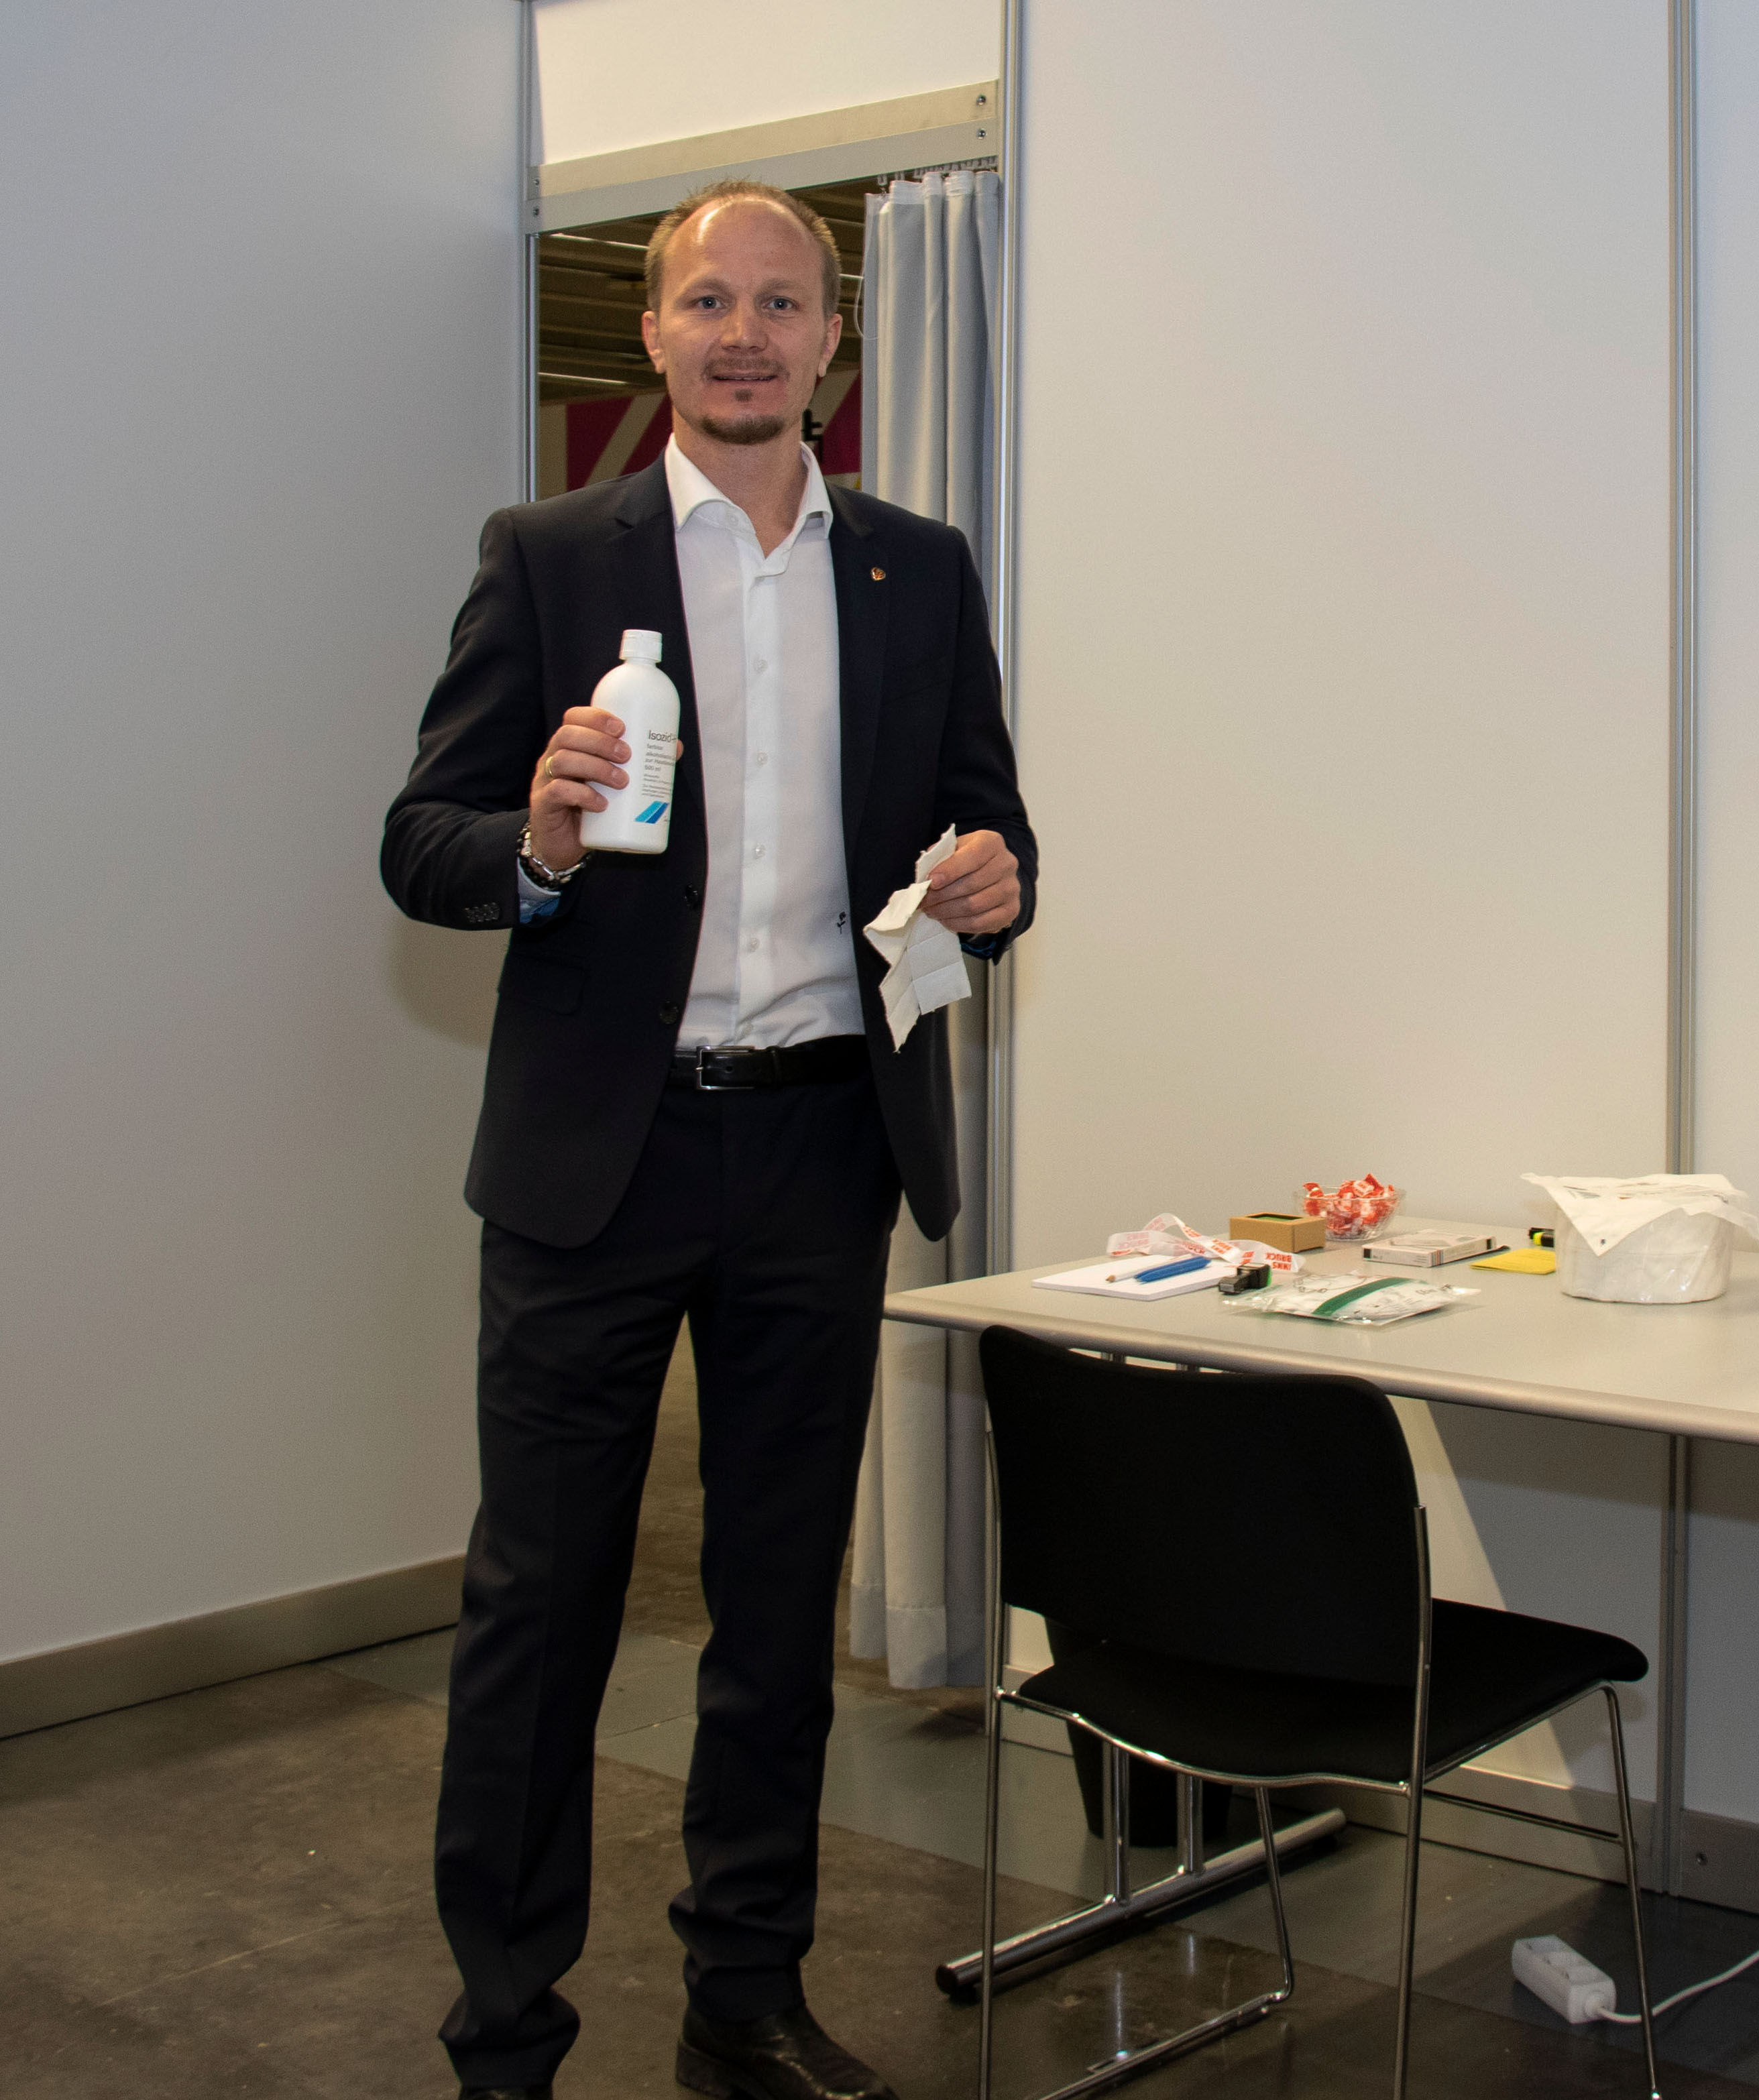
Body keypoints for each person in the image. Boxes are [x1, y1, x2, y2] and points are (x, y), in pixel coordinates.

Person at [382, 179, 1034, 2100]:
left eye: (781, 302)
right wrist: (545, 841)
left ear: (835, 340)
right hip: (603, 1161)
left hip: (820, 1152)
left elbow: (986, 831)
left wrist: (1002, 880)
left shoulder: (918, 569)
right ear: (655, 337)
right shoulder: (549, 554)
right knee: (542, 1612)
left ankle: (741, 1997)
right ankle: (507, 2033)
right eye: (704, 303)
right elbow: (422, 841)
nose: (744, 334)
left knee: (771, 1616)